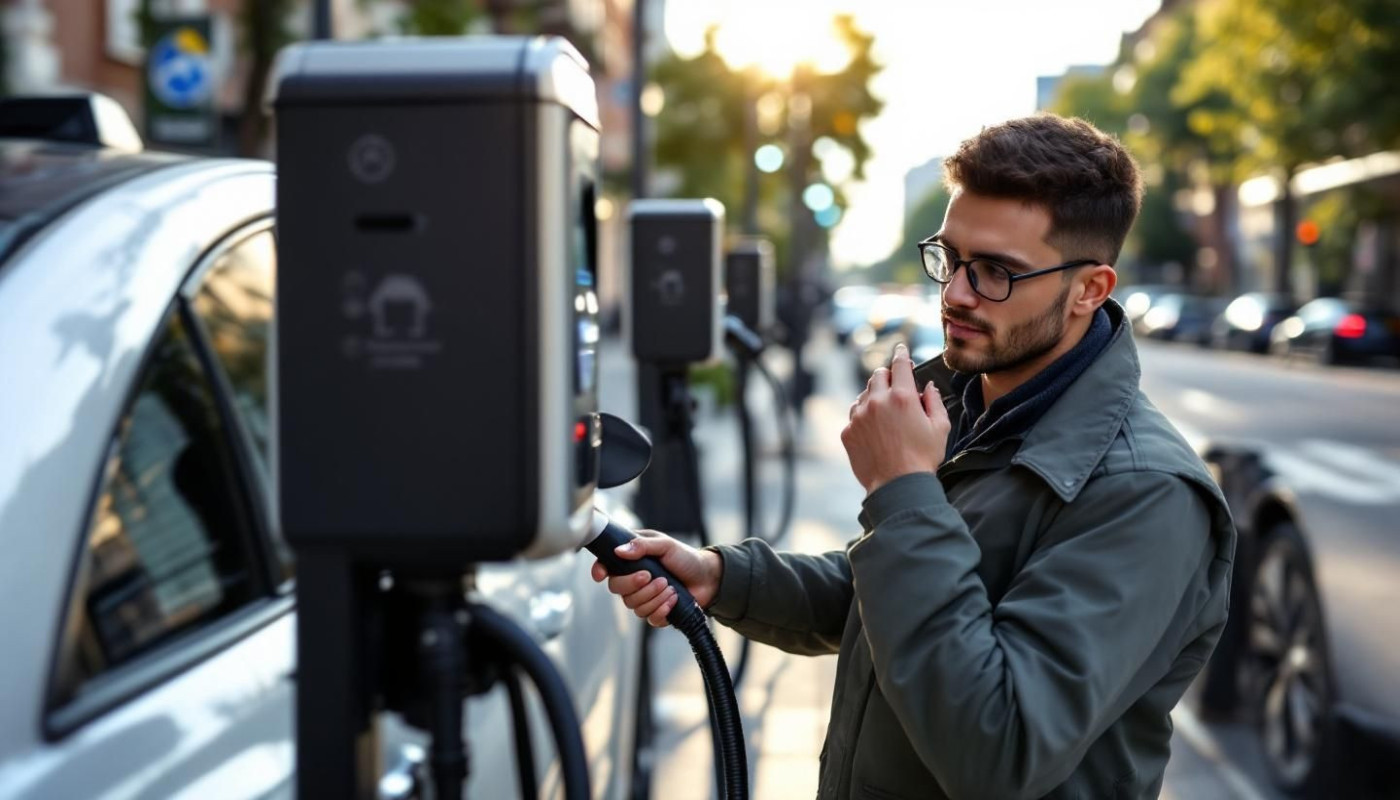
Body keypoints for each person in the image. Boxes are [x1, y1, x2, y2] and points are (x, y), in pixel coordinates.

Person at [593, 114, 1236, 799]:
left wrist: (901, 485)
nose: (955, 293)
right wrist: (724, 577)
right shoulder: (972, 405)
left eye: (996, 272)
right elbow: (895, 600)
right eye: (950, 259)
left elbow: (997, 748)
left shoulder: (1146, 492)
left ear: (1089, 290)